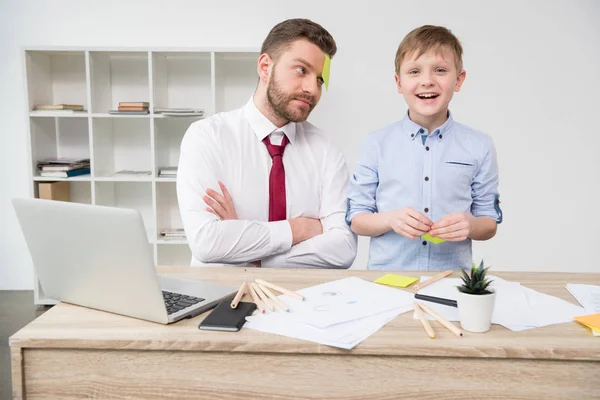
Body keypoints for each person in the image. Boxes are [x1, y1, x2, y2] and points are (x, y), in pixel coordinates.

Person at [177, 18, 357, 268]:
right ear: (265, 67)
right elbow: (207, 242)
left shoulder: (325, 150)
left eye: (319, 79)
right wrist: (300, 229)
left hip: (303, 298)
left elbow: (343, 248)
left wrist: (249, 252)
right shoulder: (207, 136)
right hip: (223, 295)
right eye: (301, 70)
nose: (312, 89)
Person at [346, 25, 502, 270]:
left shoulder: (480, 145)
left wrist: (469, 225)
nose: (427, 81)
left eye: (440, 70)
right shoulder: (375, 143)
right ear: (399, 82)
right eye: (414, 71)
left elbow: (489, 223)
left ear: (458, 79)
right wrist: (390, 219)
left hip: (450, 279)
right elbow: (356, 219)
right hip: (387, 280)